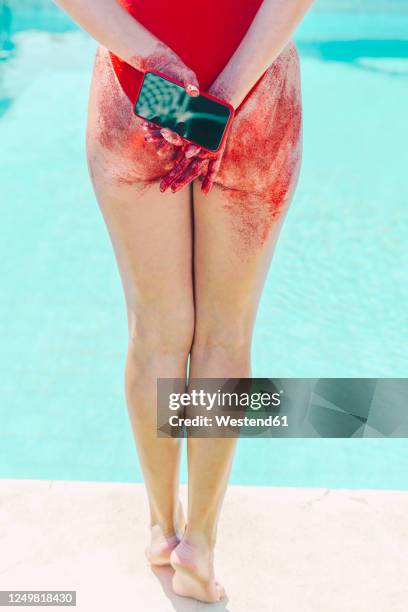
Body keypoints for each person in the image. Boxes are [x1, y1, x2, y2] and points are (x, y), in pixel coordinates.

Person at [55, 0, 313, 603]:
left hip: (139, 90)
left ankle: (161, 529)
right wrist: (224, 94)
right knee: (224, 335)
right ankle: (199, 543)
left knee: (156, 329)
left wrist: (153, 61)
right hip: (254, 90)